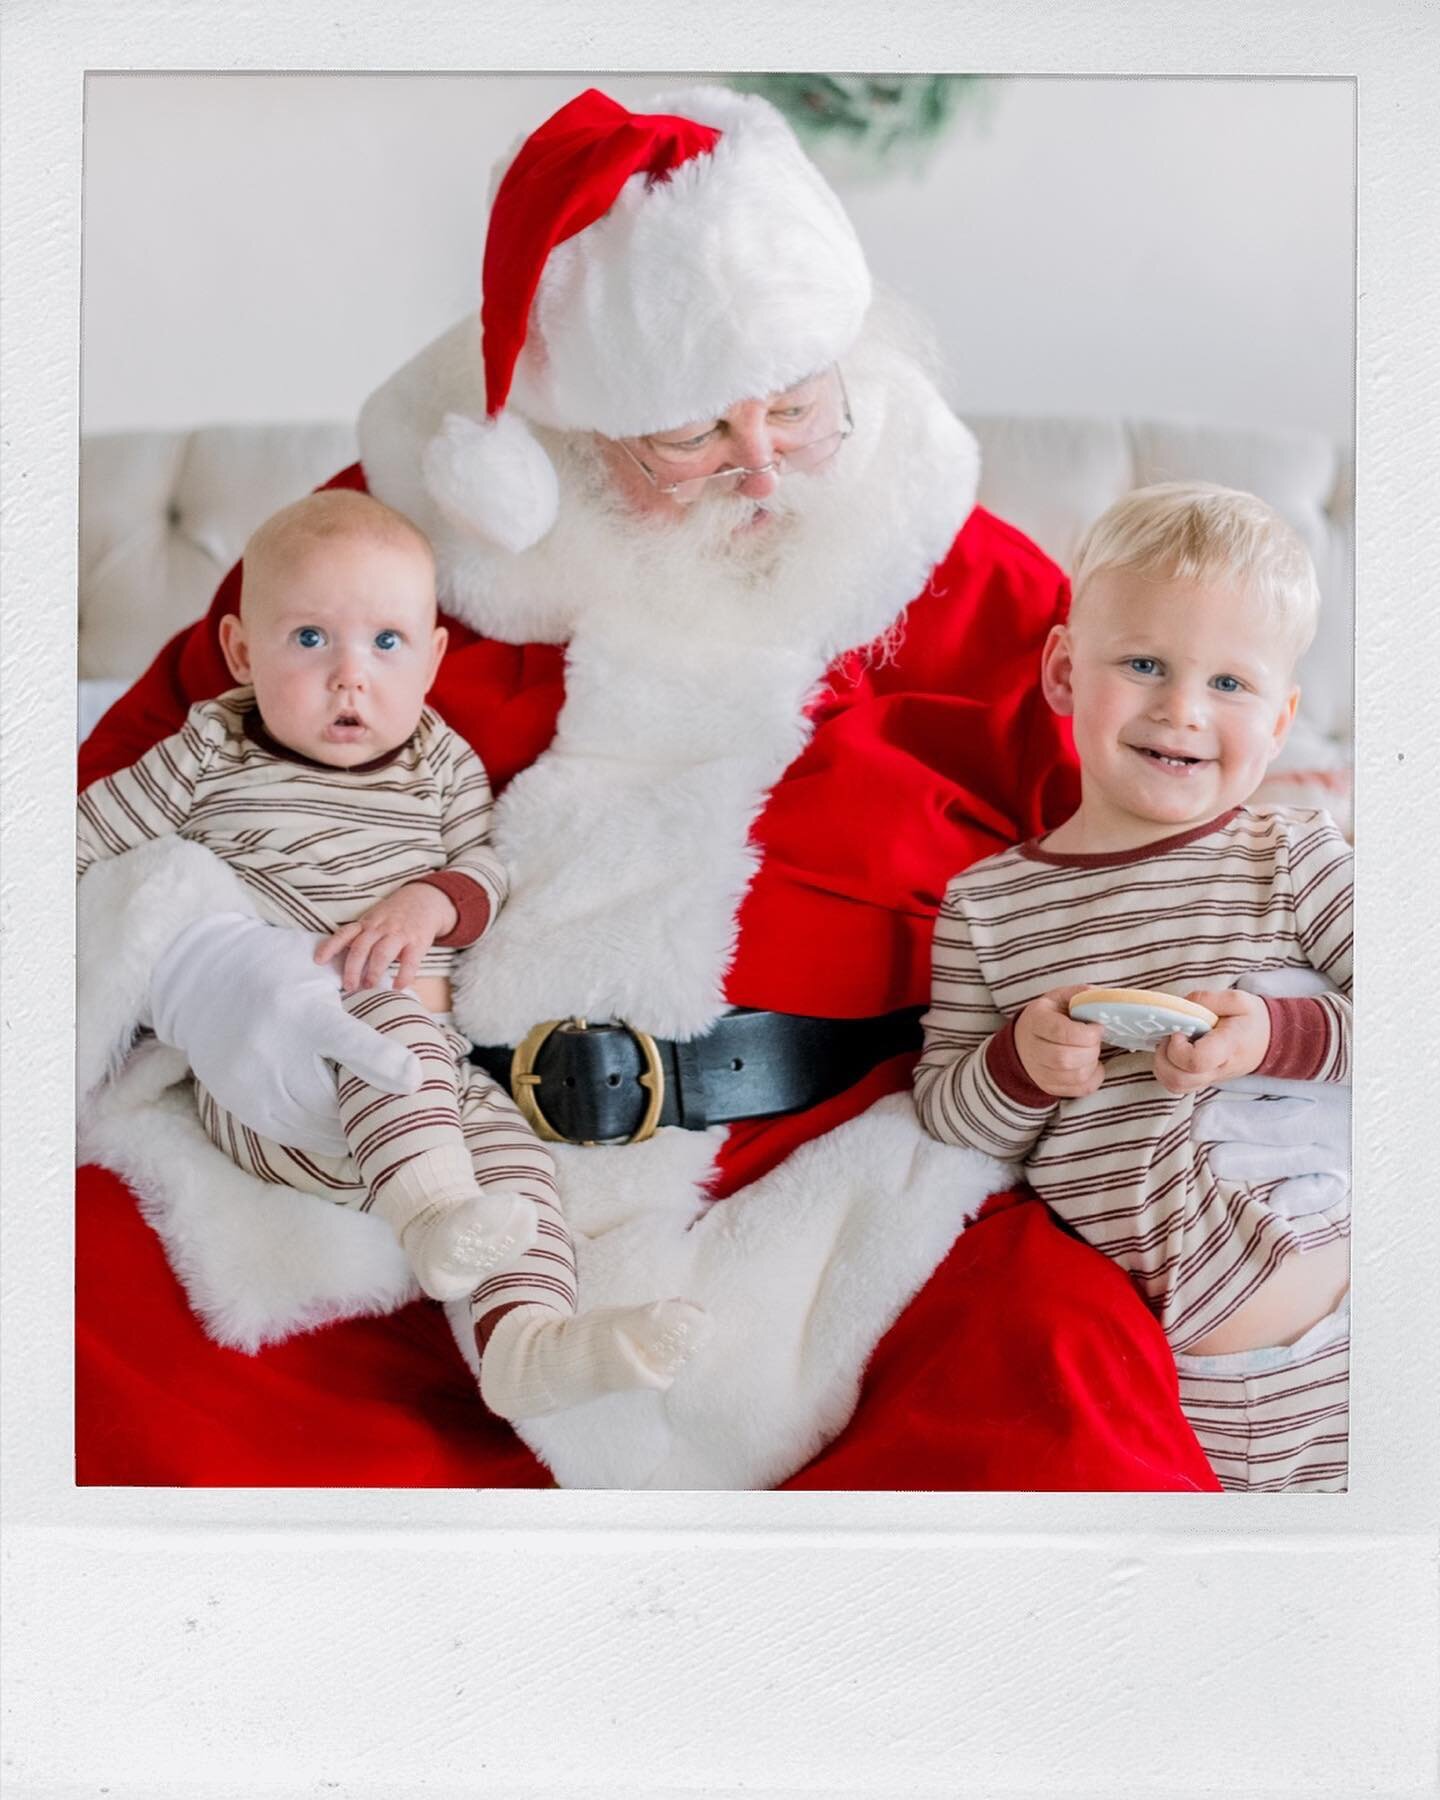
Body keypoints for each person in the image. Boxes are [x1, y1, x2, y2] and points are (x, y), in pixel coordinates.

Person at [75, 85, 1345, 1491]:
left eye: (796, 405)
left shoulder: (964, 574)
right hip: (410, 1193)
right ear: (555, 428)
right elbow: (100, 822)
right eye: (686, 432)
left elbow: (1190, 851)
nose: (761, 468)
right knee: (84, 1348)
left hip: (859, 1210)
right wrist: (211, 971)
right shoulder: (385, 557)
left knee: (1065, 1441)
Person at [78, 488, 709, 1418]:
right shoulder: (207, 753)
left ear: (431, 658)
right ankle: (432, 1217)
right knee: (373, 1006)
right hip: (273, 1084)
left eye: (385, 643)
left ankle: (525, 1346)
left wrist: (429, 901)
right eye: (308, 640)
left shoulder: (440, 763)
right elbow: (78, 846)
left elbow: (484, 872)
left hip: (429, 1081)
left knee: (517, 1162)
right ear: (241, 653)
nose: (349, 678)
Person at [914, 483, 1351, 1490]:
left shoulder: (1291, 858)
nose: (1182, 710)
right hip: (1143, 1379)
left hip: (1335, 1351)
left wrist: (1275, 1038)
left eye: (1232, 684)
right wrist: (1016, 1065)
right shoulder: (990, 903)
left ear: (1283, 720)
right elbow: (948, 1120)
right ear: (1066, 673)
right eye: (1145, 663)